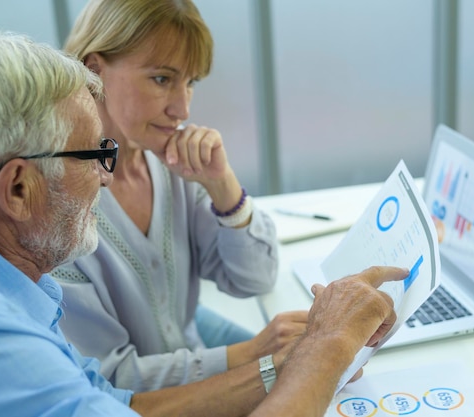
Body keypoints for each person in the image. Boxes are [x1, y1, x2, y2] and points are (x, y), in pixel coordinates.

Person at [0, 31, 408, 417]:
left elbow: (119, 404)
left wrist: (283, 365)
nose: (106, 175)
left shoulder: (23, 289)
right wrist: (328, 347)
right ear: (19, 189)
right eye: (93, 156)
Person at [49, 0, 307, 392]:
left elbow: (255, 277)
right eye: (161, 79)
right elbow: (107, 378)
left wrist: (222, 184)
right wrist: (251, 353)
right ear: (94, 68)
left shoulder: (173, 167)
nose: (181, 108)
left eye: (190, 82)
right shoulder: (56, 205)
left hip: (200, 373)